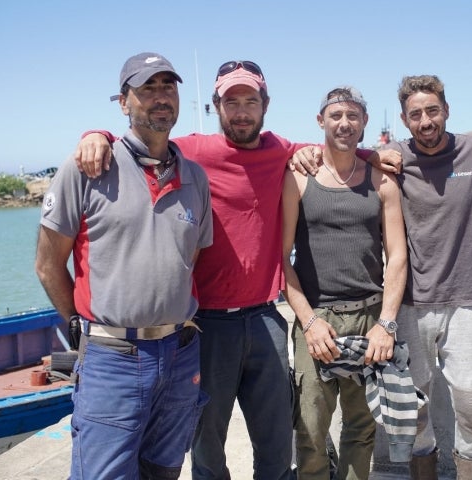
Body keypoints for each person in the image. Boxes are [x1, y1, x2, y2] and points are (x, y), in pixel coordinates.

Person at [74, 61, 393, 480]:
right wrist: (97, 135)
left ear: (265, 105)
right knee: (207, 447)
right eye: (232, 102)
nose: (242, 111)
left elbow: (338, 145)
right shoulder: (191, 149)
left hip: (265, 319)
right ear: (215, 107)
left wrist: (376, 153)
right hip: (205, 324)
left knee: (277, 444)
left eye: (251, 101)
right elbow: (142, 137)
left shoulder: (281, 149)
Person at [295, 75, 472, 479]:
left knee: (470, 401)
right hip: (410, 304)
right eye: (415, 114)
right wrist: (309, 153)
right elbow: (343, 150)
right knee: (414, 404)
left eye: (433, 111)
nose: (426, 121)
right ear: (404, 119)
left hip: (465, 301)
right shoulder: (389, 156)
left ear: (447, 111)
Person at [35, 52, 213, 479]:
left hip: (179, 352)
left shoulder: (195, 178)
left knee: (163, 470)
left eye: (167, 87)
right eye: (147, 88)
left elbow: (190, 257)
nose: (160, 97)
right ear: (123, 101)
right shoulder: (87, 168)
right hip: (111, 358)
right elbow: (46, 264)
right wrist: (78, 325)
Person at [282, 86, 408, 479]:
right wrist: (308, 321)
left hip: (369, 321)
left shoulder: (382, 182)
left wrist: (386, 324)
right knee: (310, 432)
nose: (344, 123)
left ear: (364, 123)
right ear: (321, 121)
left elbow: (398, 256)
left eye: (353, 116)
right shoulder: (298, 179)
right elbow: (280, 259)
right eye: (336, 116)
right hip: (316, 321)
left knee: (362, 429)